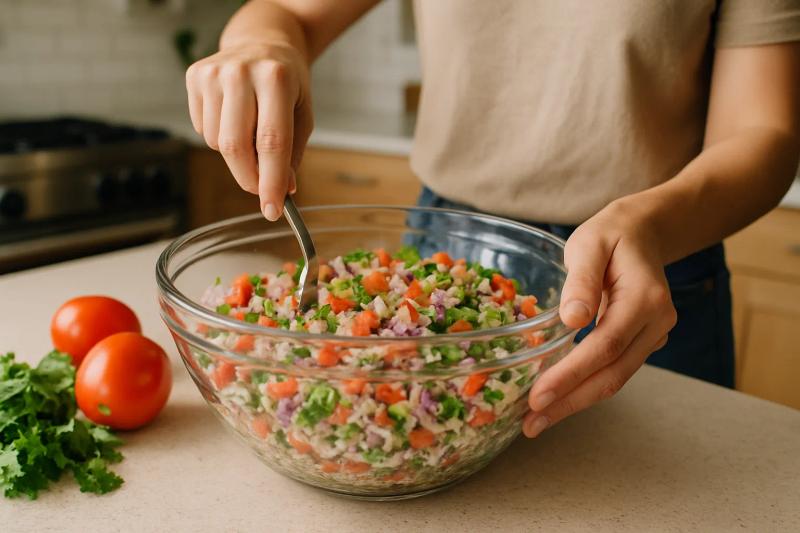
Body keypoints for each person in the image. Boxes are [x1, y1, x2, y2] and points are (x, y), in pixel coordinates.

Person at [185, 1, 800, 439]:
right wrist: (259, 45)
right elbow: (285, 12)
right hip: (443, 255)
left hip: (644, 272)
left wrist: (652, 223)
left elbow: (764, 133)